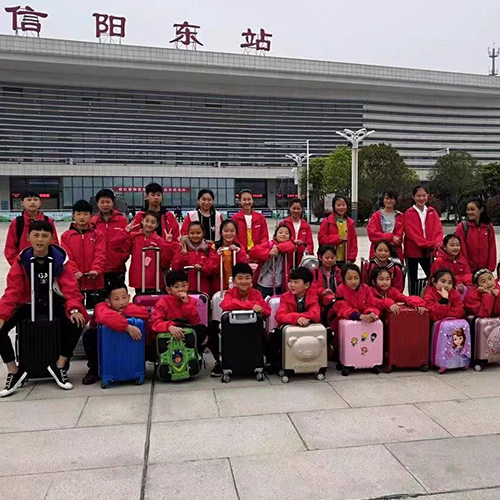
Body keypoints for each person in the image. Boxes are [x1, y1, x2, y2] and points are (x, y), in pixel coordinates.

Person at [0, 220, 88, 397]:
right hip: (28, 303)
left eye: (44, 236)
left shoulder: (61, 260)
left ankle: (60, 365)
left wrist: (74, 309)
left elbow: (71, 288)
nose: (40, 240)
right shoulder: (22, 260)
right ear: (28, 237)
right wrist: (2, 315)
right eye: (36, 235)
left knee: (78, 322)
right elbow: (13, 291)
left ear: (52, 238)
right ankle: (14, 370)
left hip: (54, 302)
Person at [150, 270, 219, 376]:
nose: (181, 289)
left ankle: (214, 360)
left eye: (183, 285)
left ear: (188, 285)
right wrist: (169, 327)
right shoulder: (162, 303)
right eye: (176, 287)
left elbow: (195, 322)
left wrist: (186, 304)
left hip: (187, 334)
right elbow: (155, 323)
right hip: (170, 335)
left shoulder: (191, 300)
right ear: (168, 289)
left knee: (206, 327)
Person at [83, 282, 150, 385]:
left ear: (129, 297)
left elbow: (145, 313)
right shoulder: (101, 307)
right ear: (108, 302)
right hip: (104, 346)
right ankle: (94, 370)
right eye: (116, 299)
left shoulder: (131, 307)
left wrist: (121, 313)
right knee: (89, 335)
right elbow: (104, 316)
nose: (122, 302)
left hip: (128, 348)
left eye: (124, 298)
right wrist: (127, 327)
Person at [61, 200, 107, 305]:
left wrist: (96, 269)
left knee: (96, 309)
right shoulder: (66, 236)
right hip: (75, 281)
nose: (82, 217)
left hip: (95, 281)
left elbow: (101, 254)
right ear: (73, 216)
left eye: (85, 214)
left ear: (91, 216)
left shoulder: (98, 234)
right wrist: (74, 271)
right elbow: (66, 257)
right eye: (78, 214)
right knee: (76, 308)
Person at [118, 211, 175, 294]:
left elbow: (165, 261)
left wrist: (168, 244)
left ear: (157, 225)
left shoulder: (159, 241)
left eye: (153, 222)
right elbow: (121, 248)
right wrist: (125, 233)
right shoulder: (134, 237)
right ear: (142, 221)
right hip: (138, 278)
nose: (149, 224)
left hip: (154, 280)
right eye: (147, 221)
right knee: (139, 299)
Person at [404, 186, 443, 295]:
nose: (421, 198)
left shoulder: (432, 211)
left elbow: (438, 229)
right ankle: (413, 299)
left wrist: (436, 243)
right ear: (413, 197)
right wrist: (426, 243)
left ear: (428, 196)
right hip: (413, 251)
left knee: (432, 275)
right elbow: (411, 233)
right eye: (418, 196)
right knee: (412, 278)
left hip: (429, 251)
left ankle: (430, 297)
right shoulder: (409, 213)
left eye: (424, 196)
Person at [4, 190, 59, 266]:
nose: (32, 202)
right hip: (23, 265)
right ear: (22, 203)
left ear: (40, 202)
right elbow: (10, 248)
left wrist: (50, 263)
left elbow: (54, 244)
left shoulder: (48, 221)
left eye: (35, 200)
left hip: (45, 264)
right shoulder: (17, 222)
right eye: (29, 200)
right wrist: (18, 265)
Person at [90, 189, 129, 287]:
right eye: (102, 202)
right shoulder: (92, 222)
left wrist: (122, 258)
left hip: (118, 268)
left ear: (113, 203)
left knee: (118, 293)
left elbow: (127, 242)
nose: (105, 205)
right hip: (99, 269)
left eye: (108, 202)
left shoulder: (121, 220)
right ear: (97, 204)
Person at [249, 225, 295, 299]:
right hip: (264, 284)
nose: (283, 234)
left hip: (280, 284)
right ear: (275, 235)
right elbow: (253, 252)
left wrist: (277, 248)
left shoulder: (289, 247)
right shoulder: (268, 244)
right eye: (280, 232)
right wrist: (268, 253)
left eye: (286, 233)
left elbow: (291, 245)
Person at [171, 222, 214, 296]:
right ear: (188, 234)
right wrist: (184, 257)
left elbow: (213, 268)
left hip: (204, 288)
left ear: (203, 233)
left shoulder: (209, 248)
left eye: (198, 233)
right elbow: (175, 268)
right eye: (192, 233)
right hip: (185, 289)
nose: (195, 235)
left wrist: (202, 268)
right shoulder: (182, 247)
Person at [455, 198, 496, 273]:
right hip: (466, 270)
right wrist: (465, 269)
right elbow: (461, 251)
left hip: (484, 270)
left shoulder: (488, 227)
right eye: (467, 210)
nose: (469, 212)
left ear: (481, 210)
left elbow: (492, 247)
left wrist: (490, 268)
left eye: (472, 209)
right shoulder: (462, 227)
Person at [207, 220, 249, 293]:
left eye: (232, 231)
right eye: (226, 231)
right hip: (219, 285)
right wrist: (217, 256)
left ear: (236, 233)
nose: (229, 234)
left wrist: (237, 252)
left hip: (235, 285)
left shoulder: (238, 247)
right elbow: (211, 269)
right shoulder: (215, 247)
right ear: (221, 232)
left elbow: (244, 266)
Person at [318, 195, 358, 265]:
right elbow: (321, 238)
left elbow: (353, 242)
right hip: (330, 260)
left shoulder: (350, 223)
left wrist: (351, 258)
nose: (341, 207)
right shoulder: (327, 222)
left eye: (343, 205)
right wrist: (337, 239)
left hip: (345, 260)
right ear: (334, 206)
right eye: (338, 205)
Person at [367, 190, 405, 261]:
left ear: (395, 200)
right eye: (386, 198)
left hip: (395, 253)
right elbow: (372, 234)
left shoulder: (400, 216)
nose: (389, 201)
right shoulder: (376, 216)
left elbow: (398, 239)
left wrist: (382, 237)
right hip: (377, 253)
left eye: (391, 198)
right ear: (383, 200)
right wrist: (391, 237)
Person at [280, 197, 314, 265]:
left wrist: (308, 251)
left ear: (302, 210)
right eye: (294, 208)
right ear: (290, 208)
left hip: (301, 259)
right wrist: (292, 242)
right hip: (286, 258)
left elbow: (310, 244)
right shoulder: (284, 223)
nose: (296, 211)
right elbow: (279, 240)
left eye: (298, 209)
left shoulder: (306, 226)